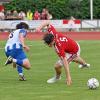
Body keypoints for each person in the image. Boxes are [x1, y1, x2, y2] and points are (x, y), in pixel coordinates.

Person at [36, 21, 90, 86]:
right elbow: (47, 22)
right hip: (74, 45)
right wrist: (39, 28)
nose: (49, 45)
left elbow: (65, 62)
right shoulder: (52, 33)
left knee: (57, 66)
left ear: (53, 41)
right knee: (75, 58)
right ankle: (84, 64)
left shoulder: (58, 47)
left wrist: (68, 77)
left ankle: (57, 78)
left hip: (73, 51)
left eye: (49, 44)